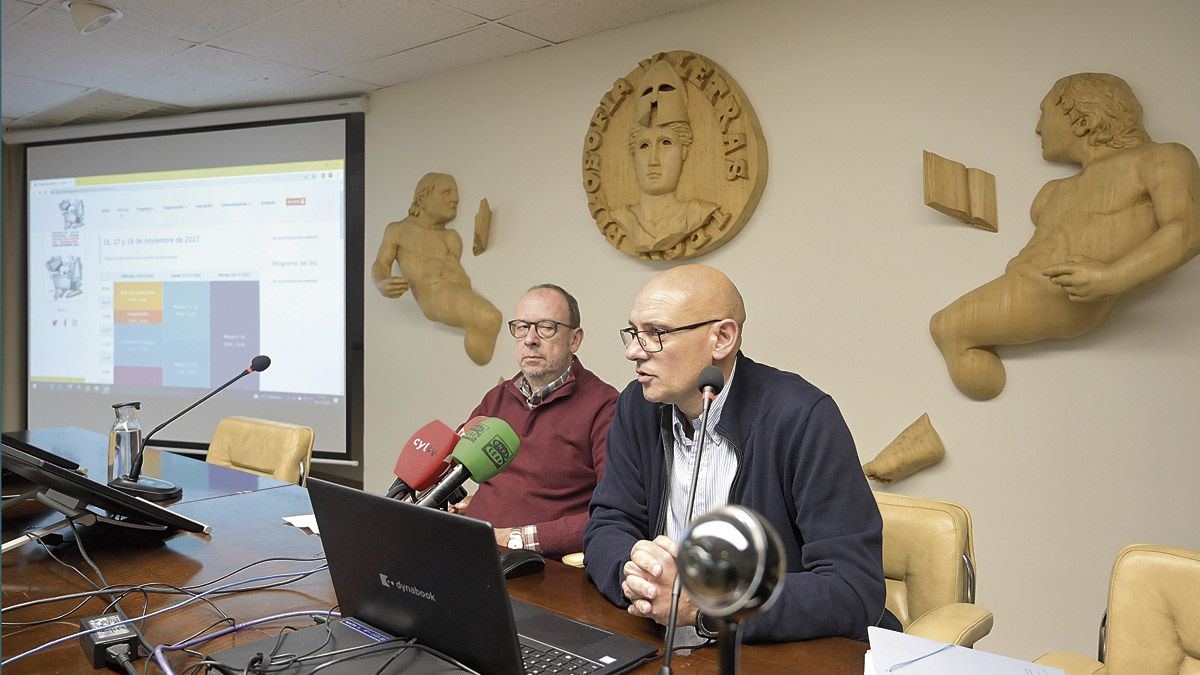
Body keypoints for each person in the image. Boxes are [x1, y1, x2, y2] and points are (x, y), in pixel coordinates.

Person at [583, 264, 891, 643]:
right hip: (658, 639)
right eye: (633, 333)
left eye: (656, 334)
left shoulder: (802, 417)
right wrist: (639, 575)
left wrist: (706, 605)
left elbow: (853, 590)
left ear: (723, 338)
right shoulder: (638, 405)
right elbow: (609, 521)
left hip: (771, 651)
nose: (633, 352)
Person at [931, 73, 1200, 400]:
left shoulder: (1162, 158)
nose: (1038, 129)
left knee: (947, 327)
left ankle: (983, 389)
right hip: (1026, 284)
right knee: (946, 327)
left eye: (1045, 114)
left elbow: (1186, 229)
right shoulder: (1053, 192)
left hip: (1069, 295)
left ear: (1082, 119)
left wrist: (1110, 279)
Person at [449, 284, 618, 559]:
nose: (530, 339)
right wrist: (463, 503)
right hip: (470, 552)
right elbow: (458, 463)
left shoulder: (605, 407)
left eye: (546, 327)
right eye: (522, 327)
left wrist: (512, 538)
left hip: (537, 570)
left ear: (574, 339)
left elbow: (611, 515)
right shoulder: (498, 398)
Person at [372, 172, 503, 365]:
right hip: (433, 296)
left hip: (457, 292)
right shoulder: (398, 230)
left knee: (491, 320)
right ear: (423, 198)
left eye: (455, 193)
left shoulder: (451, 237)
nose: (455, 199)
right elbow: (381, 264)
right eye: (447, 192)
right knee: (491, 317)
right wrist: (382, 282)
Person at [611, 59, 725, 255]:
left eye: (666, 143)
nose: (653, 159)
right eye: (644, 146)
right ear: (633, 154)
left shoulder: (698, 213)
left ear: (684, 150)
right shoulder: (622, 217)